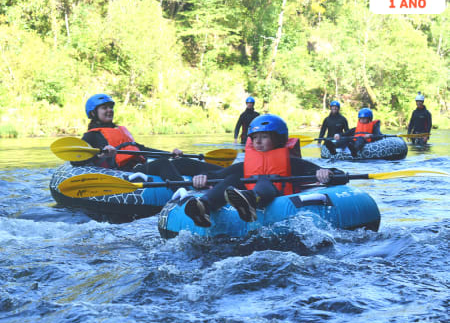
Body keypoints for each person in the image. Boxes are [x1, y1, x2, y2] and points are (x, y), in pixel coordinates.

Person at [184, 114, 342, 227]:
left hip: (278, 199)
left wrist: (326, 173)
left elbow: (337, 175)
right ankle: (203, 206)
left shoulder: (294, 164)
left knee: (265, 179)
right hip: (246, 198)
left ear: (278, 139)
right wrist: (202, 178)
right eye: (255, 137)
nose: (258, 141)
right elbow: (217, 175)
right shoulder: (245, 165)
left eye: (264, 136)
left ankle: (251, 200)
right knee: (231, 180)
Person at [72, 94, 221, 181]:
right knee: (162, 164)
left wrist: (170, 153)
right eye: (104, 108)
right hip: (124, 173)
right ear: (93, 113)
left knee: (182, 162)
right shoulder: (91, 135)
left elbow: (142, 149)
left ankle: (223, 175)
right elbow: (77, 161)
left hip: (140, 166)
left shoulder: (120, 130)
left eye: (111, 107)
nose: (110, 110)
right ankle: (185, 194)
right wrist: (102, 154)